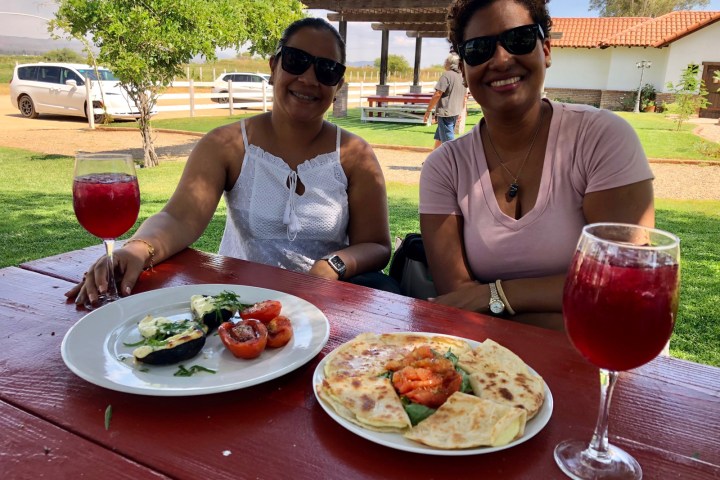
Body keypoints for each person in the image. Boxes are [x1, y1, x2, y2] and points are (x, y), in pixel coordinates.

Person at [67, 17, 399, 306]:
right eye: (297, 61)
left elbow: (377, 245)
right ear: (274, 67)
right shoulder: (226, 145)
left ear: (338, 85)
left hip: (326, 305)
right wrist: (138, 249)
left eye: (328, 70)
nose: (310, 79)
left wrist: (333, 265)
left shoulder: (355, 154)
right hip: (241, 301)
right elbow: (179, 217)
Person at [419, 0, 654, 330]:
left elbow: (625, 282)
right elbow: (459, 299)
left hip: (606, 360)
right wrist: (566, 306)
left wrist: (494, 295)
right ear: (464, 68)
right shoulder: (445, 167)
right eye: (478, 49)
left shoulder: (601, 137)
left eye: (519, 39)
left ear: (546, 49)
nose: (500, 60)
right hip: (497, 363)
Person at [423, 52, 467, 149]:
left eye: (445, 61)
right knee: (440, 137)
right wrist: (461, 111)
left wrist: (428, 111)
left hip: (446, 113)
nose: (444, 63)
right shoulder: (462, 76)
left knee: (449, 143)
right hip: (455, 112)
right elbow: (464, 97)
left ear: (450, 63)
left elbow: (438, 94)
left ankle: (456, 162)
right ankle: (433, 160)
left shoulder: (446, 75)